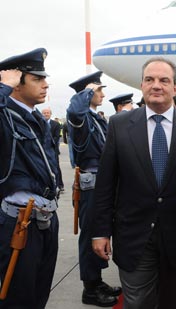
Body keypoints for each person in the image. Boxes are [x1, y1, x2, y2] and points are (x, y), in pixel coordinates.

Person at [91, 57, 176, 309]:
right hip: (133, 234)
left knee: (173, 301)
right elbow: (106, 183)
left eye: (164, 80)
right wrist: (100, 231)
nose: (156, 85)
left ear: (175, 88)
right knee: (137, 302)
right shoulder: (119, 125)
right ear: (142, 85)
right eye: (150, 80)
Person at [0, 48, 59, 308]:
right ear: (15, 84)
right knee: (17, 296)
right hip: (18, 222)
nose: (45, 84)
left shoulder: (34, 117)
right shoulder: (5, 116)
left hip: (45, 218)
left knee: (39, 291)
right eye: (36, 78)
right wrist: (2, 85)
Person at [66, 71, 121, 307]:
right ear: (86, 93)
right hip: (91, 185)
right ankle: (90, 288)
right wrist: (87, 90)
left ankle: (97, 281)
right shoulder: (80, 116)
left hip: (103, 182)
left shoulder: (95, 118)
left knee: (101, 231)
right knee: (91, 235)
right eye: (98, 90)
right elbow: (75, 111)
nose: (102, 94)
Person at [42, 107, 64, 192]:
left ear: (50, 114)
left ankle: (60, 184)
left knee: (56, 167)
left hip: (53, 149)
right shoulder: (40, 123)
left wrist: (49, 144)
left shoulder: (56, 124)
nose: (46, 114)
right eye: (44, 113)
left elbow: (56, 136)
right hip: (42, 150)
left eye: (47, 113)